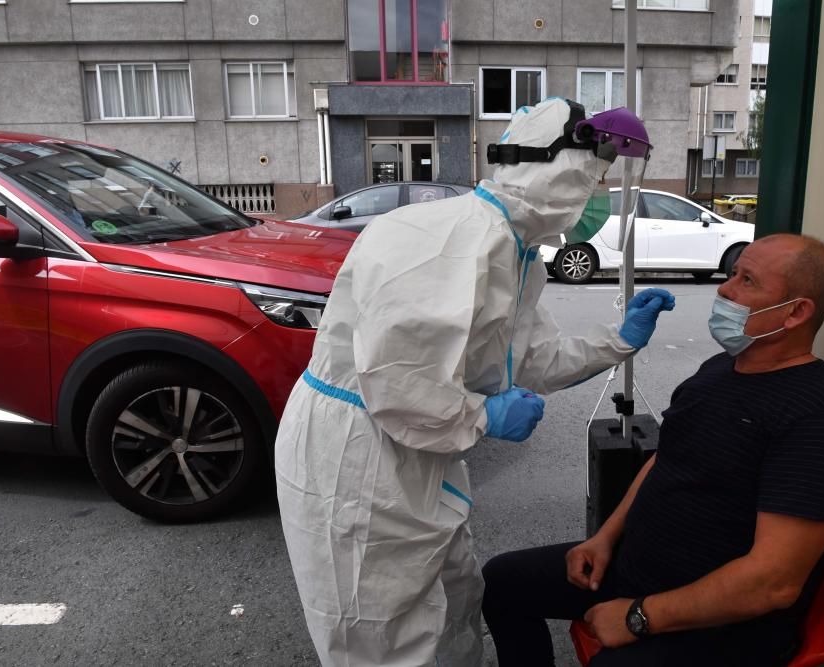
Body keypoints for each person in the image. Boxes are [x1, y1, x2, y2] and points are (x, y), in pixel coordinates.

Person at [274, 97, 676, 667]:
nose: (600, 193)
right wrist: (483, 416)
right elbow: (395, 380)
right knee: (378, 626)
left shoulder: (516, 254)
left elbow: (531, 360)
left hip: (417, 451)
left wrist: (620, 339)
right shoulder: (440, 237)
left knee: (452, 595)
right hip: (357, 455)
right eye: (598, 173)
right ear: (560, 168)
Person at [482, 234, 824, 667]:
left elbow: (772, 582)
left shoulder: (821, 418)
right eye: (732, 273)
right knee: (501, 583)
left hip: (722, 623)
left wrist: (637, 617)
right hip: (638, 570)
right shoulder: (719, 370)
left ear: (797, 312)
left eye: (747, 280)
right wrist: (605, 537)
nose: (725, 289)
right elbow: (666, 460)